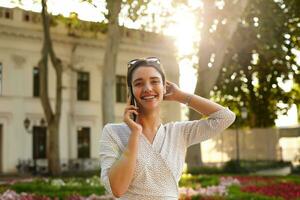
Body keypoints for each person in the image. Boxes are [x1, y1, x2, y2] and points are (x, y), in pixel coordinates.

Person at [99, 57, 236, 199]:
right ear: (131, 91)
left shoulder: (179, 133)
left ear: (164, 87)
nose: (147, 88)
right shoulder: (112, 132)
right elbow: (117, 189)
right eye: (139, 83)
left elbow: (225, 117)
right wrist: (135, 134)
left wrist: (181, 96)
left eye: (154, 81)